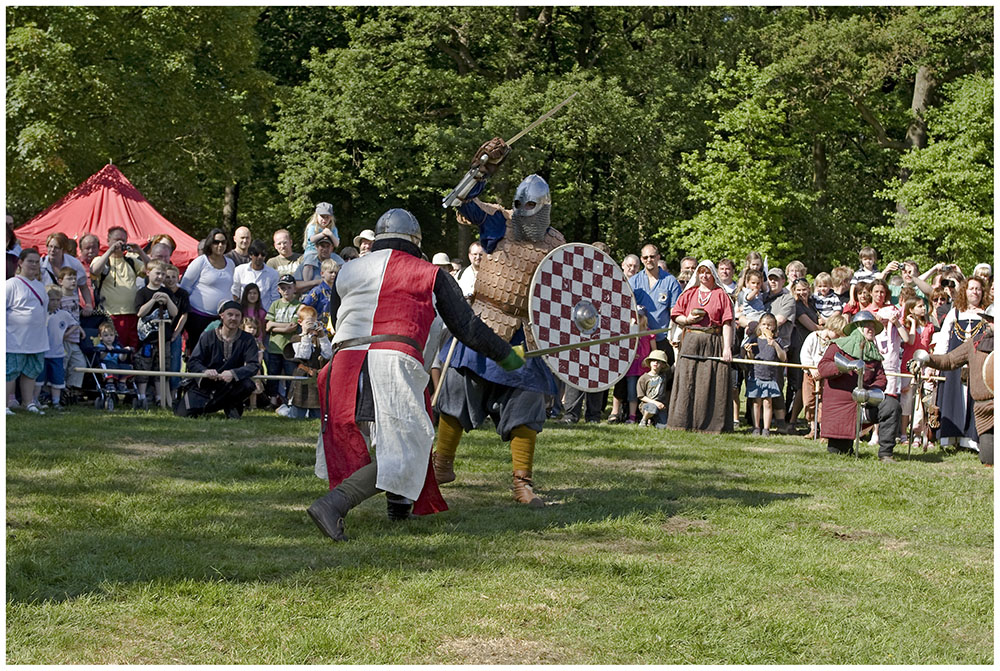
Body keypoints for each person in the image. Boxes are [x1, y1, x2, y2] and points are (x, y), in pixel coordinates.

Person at [307, 208, 523, 541]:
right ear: (415, 241)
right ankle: (335, 504)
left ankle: (398, 508)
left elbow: (338, 318)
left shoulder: (347, 270)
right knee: (410, 443)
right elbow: (466, 327)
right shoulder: (429, 273)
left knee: (399, 436)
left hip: (343, 364)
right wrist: (505, 355)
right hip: (391, 360)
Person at [432, 137, 565, 506]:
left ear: (544, 208)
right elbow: (457, 202)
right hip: (483, 321)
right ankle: (441, 463)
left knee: (528, 402)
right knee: (458, 391)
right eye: (520, 203)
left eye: (531, 205)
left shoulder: (557, 244)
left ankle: (522, 482)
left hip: (526, 332)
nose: (523, 210)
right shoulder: (497, 222)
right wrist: (481, 172)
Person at [816, 310, 902, 461]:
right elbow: (823, 368)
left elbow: (881, 379)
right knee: (839, 454)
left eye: (873, 327)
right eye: (867, 326)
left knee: (891, 405)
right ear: (857, 328)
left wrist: (869, 392)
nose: (871, 329)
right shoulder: (838, 347)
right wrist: (845, 366)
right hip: (842, 408)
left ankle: (886, 453)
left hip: (865, 403)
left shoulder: (873, 353)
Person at [913, 305, 993, 465]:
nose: (992, 324)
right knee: (988, 459)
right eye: (990, 321)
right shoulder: (975, 344)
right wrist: (928, 359)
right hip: (984, 410)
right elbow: (950, 360)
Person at [667, 260, 734, 433]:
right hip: (690, 340)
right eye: (701, 272)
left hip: (713, 341)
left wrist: (727, 348)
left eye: (707, 272)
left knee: (711, 381)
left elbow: (727, 323)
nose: (704, 276)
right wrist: (687, 320)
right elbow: (676, 315)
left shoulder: (721, 294)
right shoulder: (689, 293)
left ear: (713, 274)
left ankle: (710, 425)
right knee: (687, 380)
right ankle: (682, 423)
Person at [174, 301, 259, 419]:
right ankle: (210, 405)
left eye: (237, 315)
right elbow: (193, 361)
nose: (233, 318)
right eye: (230, 314)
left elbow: (253, 365)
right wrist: (205, 371)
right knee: (182, 414)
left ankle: (231, 405)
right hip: (206, 385)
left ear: (241, 318)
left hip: (231, 385)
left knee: (247, 385)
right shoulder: (207, 336)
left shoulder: (248, 339)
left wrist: (233, 373)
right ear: (222, 316)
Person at [934, 276, 989, 450]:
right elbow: (943, 338)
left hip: (977, 362)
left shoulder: (988, 313)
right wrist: (936, 364)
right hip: (954, 363)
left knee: (974, 397)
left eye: (978, 289)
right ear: (965, 291)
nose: (975, 291)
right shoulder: (955, 312)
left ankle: (971, 440)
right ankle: (950, 437)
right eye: (971, 288)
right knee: (952, 397)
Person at [7, 248, 50, 415]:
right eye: (30, 261)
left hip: (36, 339)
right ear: (20, 262)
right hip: (14, 339)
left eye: (36, 262)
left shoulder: (40, 286)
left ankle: (28, 402)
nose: (33, 265)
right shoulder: (11, 284)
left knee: (31, 371)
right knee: (10, 373)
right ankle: (4, 405)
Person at [91, 226, 148, 350]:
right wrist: (110, 250)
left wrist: (140, 252)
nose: (120, 243)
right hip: (111, 315)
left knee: (131, 350)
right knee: (115, 350)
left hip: (132, 314)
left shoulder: (132, 261)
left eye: (123, 240)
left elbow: (152, 269)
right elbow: (95, 271)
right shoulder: (101, 260)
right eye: (116, 239)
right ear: (108, 240)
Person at [179, 228, 236, 353]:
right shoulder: (201, 261)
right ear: (210, 243)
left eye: (223, 242)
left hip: (221, 317)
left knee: (218, 351)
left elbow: (231, 288)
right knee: (198, 351)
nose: (220, 245)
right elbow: (184, 287)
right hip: (198, 316)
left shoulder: (231, 263)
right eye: (216, 242)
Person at [134, 260, 179, 408]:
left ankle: (160, 397)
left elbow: (174, 313)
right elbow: (140, 312)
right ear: (148, 273)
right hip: (147, 338)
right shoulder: (142, 292)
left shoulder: (166, 292)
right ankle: (141, 396)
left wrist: (167, 300)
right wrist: (153, 300)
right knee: (144, 366)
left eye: (163, 274)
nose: (160, 277)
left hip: (163, 337)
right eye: (157, 273)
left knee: (162, 366)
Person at [277, 304, 332, 419]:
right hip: (302, 375)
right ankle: (283, 410)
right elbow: (304, 355)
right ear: (300, 322)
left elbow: (328, 355)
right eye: (308, 323)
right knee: (297, 414)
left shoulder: (319, 339)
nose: (312, 325)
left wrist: (322, 337)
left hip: (316, 376)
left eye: (314, 322)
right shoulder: (296, 338)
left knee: (317, 415)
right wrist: (306, 335)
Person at [630, 244, 682, 361]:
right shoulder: (633, 282)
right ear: (642, 259)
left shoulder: (670, 281)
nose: (649, 260)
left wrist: (674, 337)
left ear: (658, 257)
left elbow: (675, 312)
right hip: (640, 340)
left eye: (652, 256)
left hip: (662, 339)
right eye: (645, 257)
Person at [799, 314, 847, 439]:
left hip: (825, 376)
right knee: (810, 401)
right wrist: (811, 368)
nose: (838, 336)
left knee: (824, 403)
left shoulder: (835, 344)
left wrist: (825, 371)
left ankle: (824, 431)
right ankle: (813, 428)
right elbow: (805, 354)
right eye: (837, 333)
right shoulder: (813, 337)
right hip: (810, 375)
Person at [762, 267, 797, 433]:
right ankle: (759, 420)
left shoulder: (788, 299)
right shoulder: (763, 297)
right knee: (759, 382)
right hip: (761, 345)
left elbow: (779, 320)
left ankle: (781, 422)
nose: (773, 281)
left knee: (775, 384)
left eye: (777, 279)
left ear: (784, 281)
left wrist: (758, 324)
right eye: (770, 278)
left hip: (779, 346)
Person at [742, 313, 786, 436]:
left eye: (769, 325)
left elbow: (783, 357)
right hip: (756, 374)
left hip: (770, 376)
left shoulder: (777, 340)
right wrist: (749, 351)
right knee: (756, 402)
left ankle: (766, 428)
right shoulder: (754, 339)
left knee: (768, 402)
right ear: (759, 326)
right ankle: (756, 426)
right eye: (764, 324)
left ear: (774, 327)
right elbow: (751, 358)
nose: (766, 327)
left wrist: (775, 345)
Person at [609, 309, 653, 424]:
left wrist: (647, 360)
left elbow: (654, 351)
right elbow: (623, 348)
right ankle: (631, 417)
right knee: (632, 393)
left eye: (640, 316)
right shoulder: (628, 333)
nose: (638, 319)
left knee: (646, 393)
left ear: (645, 318)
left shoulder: (649, 333)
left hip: (645, 369)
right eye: (635, 316)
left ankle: (647, 417)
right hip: (631, 369)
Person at [264, 274, 301, 407]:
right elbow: (268, 326)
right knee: (273, 374)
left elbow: (293, 327)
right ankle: (272, 400)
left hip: (290, 348)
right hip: (275, 347)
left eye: (289, 287)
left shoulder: (299, 306)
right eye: (283, 288)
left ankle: (291, 401)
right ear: (278, 290)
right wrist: (284, 328)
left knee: (291, 375)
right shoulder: (275, 304)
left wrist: (276, 325)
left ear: (294, 288)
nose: (286, 290)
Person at [34, 285, 72, 410]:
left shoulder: (63, 314)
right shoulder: (41, 314)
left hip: (57, 354)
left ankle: (56, 402)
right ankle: (34, 401)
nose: (55, 302)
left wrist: (65, 334)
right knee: (38, 379)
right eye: (52, 300)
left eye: (58, 300)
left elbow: (75, 325)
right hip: (42, 352)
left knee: (57, 379)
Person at [40, 232, 93, 312]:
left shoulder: (74, 264)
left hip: (70, 309)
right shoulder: (40, 264)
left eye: (56, 247)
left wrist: (88, 305)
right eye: (50, 246)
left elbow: (83, 287)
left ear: (63, 249)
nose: (52, 250)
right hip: (48, 309)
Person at [162, 265, 190, 394]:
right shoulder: (160, 292)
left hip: (175, 332)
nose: (170, 280)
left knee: (175, 363)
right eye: (167, 277)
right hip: (159, 332)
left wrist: (176, 333)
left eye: (173, 277)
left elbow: (184, 315)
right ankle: (160, 393)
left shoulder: (182, 294)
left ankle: (173, 393)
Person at [231, 240, 280, 310]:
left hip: (265, 314)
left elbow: (275, 298)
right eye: (256, 254)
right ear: (250, 255)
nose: (259, 257)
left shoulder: (273, 274)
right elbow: (234, 293)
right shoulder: (239, 270)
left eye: (263, 254)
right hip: (244, 313)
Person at [301, 258, 339, 335]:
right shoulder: (317, 291)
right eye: (331, 272)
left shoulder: (339, 290)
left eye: (335, 272)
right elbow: (302, 309)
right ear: (322, 273)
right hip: (319, 331)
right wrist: (310, 323)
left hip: (335, 331)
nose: (333, 275)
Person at [94, 321, 133, 395]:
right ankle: (110, 383)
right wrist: (106, 350)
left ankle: (122, 383)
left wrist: (124, 351)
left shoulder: (117, 347)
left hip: (116, 365)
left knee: (126, 366)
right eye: (106, 335)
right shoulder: (100, 346)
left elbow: (121, 359)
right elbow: (101, 357)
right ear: (100, 337)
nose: (109, 337)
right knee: (110, 365)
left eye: (111, 335)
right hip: (104, 365)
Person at [637, 349, 672, 427]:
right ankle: (644, 420)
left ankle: (652, 421)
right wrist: (656, 403)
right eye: (653, 360)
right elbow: (641, 396)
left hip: (661, 406)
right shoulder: (643, 378)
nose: (655, 363)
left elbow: (675, 366)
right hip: (647, 405)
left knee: (663, 427)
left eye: (659, 361)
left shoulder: (664, 376)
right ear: (649, 363)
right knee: (652, 408)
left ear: (663, 365)